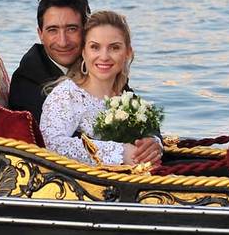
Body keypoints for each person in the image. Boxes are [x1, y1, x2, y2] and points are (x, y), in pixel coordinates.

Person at [39, 10, 163, 166]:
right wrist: (120, 152)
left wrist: (153, 144)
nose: (104, 56)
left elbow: (150, 133)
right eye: (95, 47)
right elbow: (51, 145)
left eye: (114, 48)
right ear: (83, 52)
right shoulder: (67, 94)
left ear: (127, 53)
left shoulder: (126, 98)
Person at [8, 0, 91, 123]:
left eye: (71, 29)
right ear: (40, 34)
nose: (63, 42)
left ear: (87, 31)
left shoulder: (100, 65)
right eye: (53, 30)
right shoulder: (26, 82)